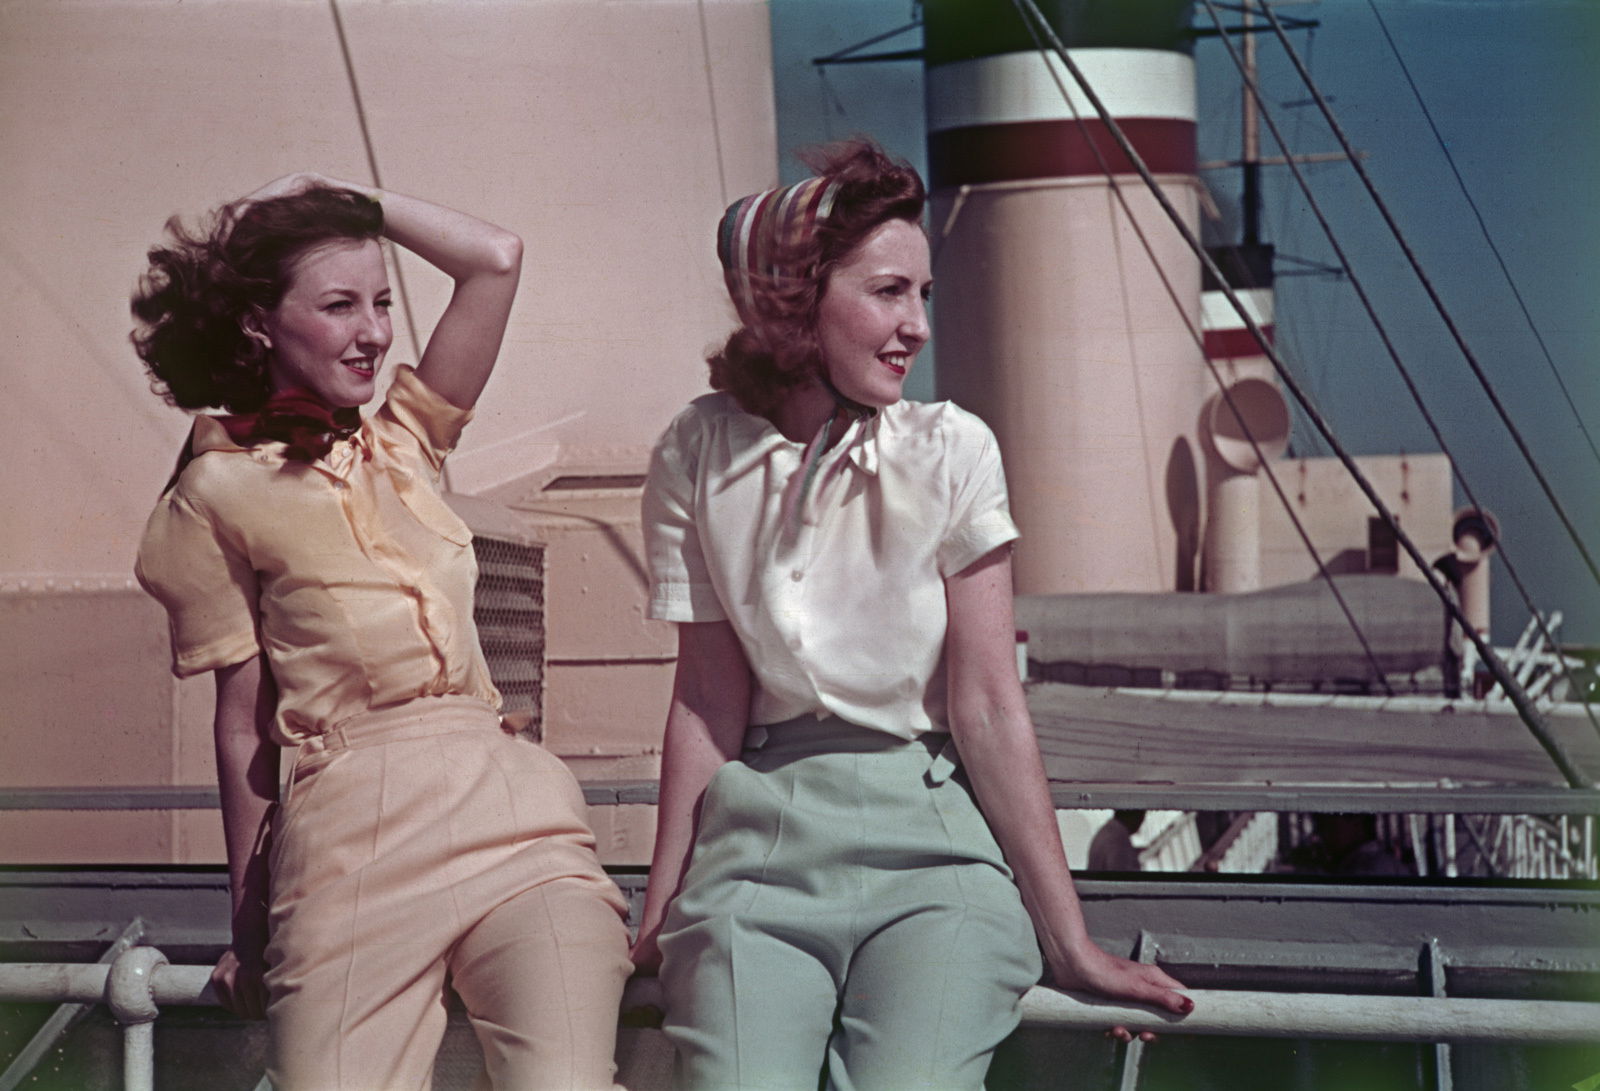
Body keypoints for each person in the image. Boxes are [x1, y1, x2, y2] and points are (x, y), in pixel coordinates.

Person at [631, 140, 1193, 1090]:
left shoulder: (952, 450)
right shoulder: (699, 450)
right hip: (759, 846)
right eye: (890, 292)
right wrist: (658, 912)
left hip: (935, 854)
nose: (918, 326)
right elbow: (705, 701)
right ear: (799, 303)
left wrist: (1073, 941)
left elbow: (987, 706)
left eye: (924, 294)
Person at [132, 173, 632, 1090]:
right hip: (350, 837)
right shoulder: (211, 495)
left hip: (515, 820)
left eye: (381, 303)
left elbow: (496, 260)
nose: (372, 332)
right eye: (338, 305)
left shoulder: (406, 442)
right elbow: (242, 722)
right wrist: (249, 923)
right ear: (259, 322)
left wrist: (350, 198)